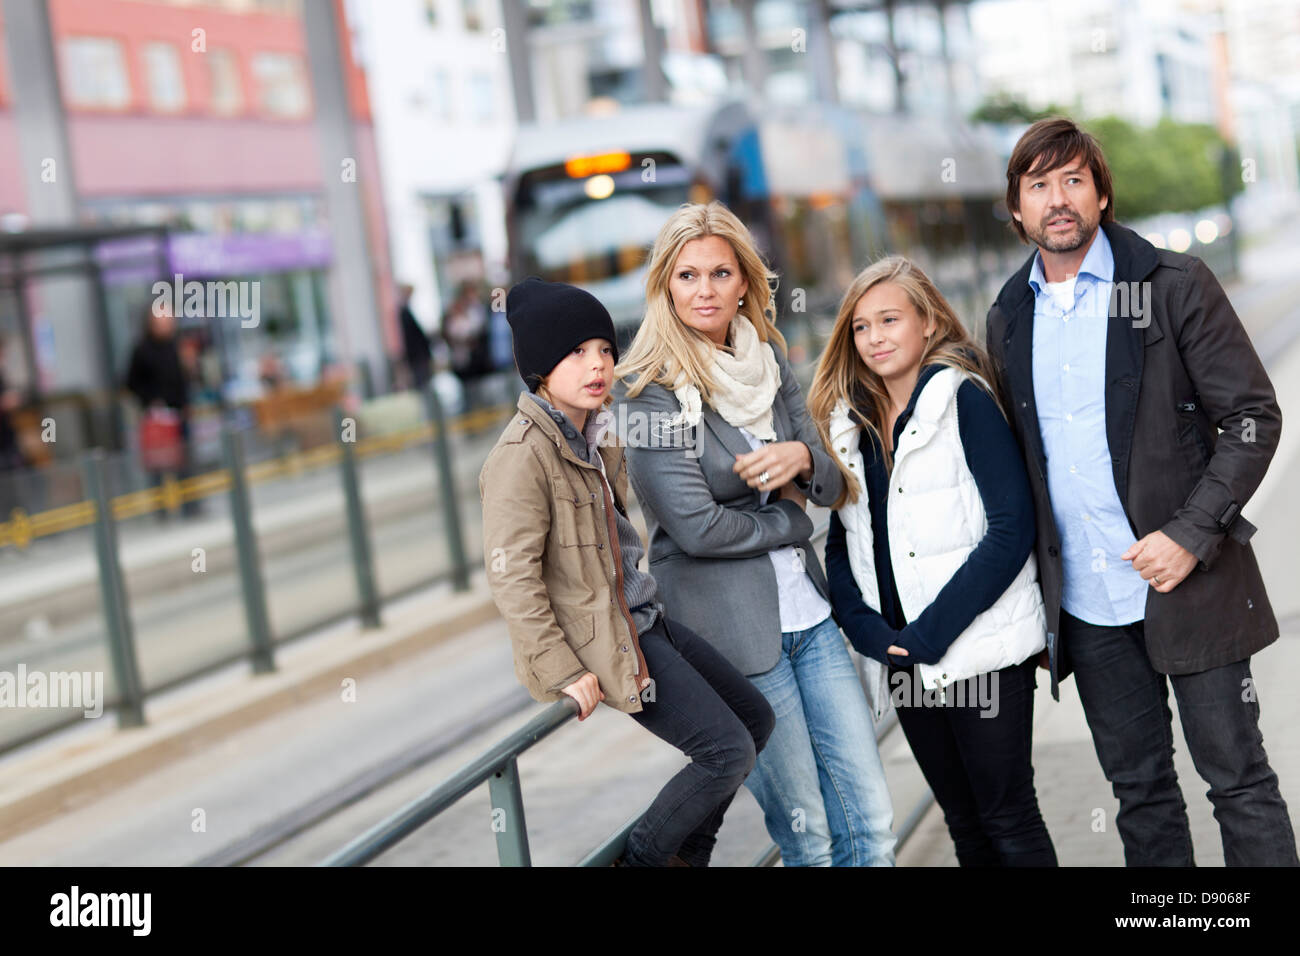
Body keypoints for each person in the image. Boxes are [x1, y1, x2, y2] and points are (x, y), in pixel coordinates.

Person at [985, 117, 1297, 866]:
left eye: (1073, 180)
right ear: (1018, 208)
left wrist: (1192, 533)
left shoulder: (1171, 284)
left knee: (1238, 781)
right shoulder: (1008, 317)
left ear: (1100, 194)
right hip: (1088, 605)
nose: (1057, 199)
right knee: (1141, 795)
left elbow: (1253, 417)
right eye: (1039, 185)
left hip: (1191, 583)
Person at [614, 201, 895, 867]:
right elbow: (694, 527)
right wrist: (790, 518)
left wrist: (801, 462)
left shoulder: (765, 356)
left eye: (720, 273)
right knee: (811, 837)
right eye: (686, 276)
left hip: (813, 622)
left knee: (872, 822)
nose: (704, 290)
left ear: (745, 281)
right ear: (664, 286)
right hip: (734, 634)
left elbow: (829, 476)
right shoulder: (645, 391)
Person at [479, 276, 774, 867]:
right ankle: (643, 859)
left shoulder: (596, 429)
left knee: (754, 720)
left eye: (605, 350)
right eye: (577, 352)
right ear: (540, 369)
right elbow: (514, 580)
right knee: (724, 752)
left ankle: (683, 858)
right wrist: (563, 669)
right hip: (611, 638)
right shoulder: (521, 457)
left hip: (642, 616)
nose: (598, 365)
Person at [808, 256, 1057, 866]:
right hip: (901, 658)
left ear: (927, 322)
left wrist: (931, 633)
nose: (875, 338)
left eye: (889, 319)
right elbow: (842, 540)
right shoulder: (852, 424)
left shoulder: (961, 399)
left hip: (977, 651)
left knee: (1008, 816)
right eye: (860, 328)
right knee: (965, 825)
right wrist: (866, 630)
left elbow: (1010, 529)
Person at [126, 303, 198, 516]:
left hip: (179, 414)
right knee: (158, 464)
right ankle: (161, 510)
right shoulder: (142, 350)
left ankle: (191, 505)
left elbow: (186, 380)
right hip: (157, 417)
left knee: (185, 461)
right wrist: (151, 400)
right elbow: (131, 383)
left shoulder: (178, 346)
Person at [397, 283, 433, 390]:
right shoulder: (404, 312)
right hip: (416, 355)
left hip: (419, 354)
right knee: (421, 384)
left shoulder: (408, 310)